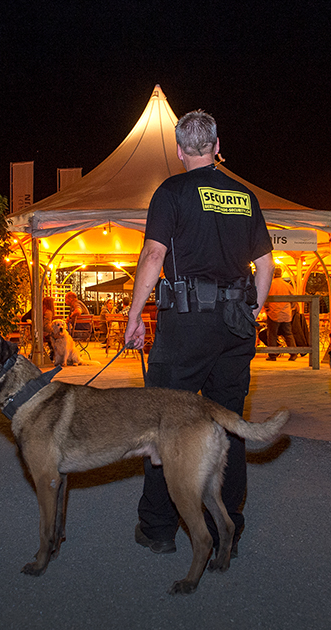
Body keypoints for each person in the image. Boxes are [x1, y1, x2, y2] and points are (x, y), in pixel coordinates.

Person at [124, 109, 273, 556]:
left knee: (166, 422)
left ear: (178, 149)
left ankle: (158, 528)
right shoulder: (244, 196)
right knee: (229, 423)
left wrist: (134, 315)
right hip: (234, 326)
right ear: (216, 145)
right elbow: (265, 264)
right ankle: (227, 525)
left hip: (186, 326)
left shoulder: (172, 192)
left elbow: (154, 256)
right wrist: (252, 309)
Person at [265, 266, 297, 361]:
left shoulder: (270, 285)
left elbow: (266, 299)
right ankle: (293, 353)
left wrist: (266, 308)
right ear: (281, 274)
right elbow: (294, 300)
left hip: (273, 312)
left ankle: (273, 355)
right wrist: (290, 308)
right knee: (288, 334)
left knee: (272, 334)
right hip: (286, 313)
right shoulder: (287, 285)